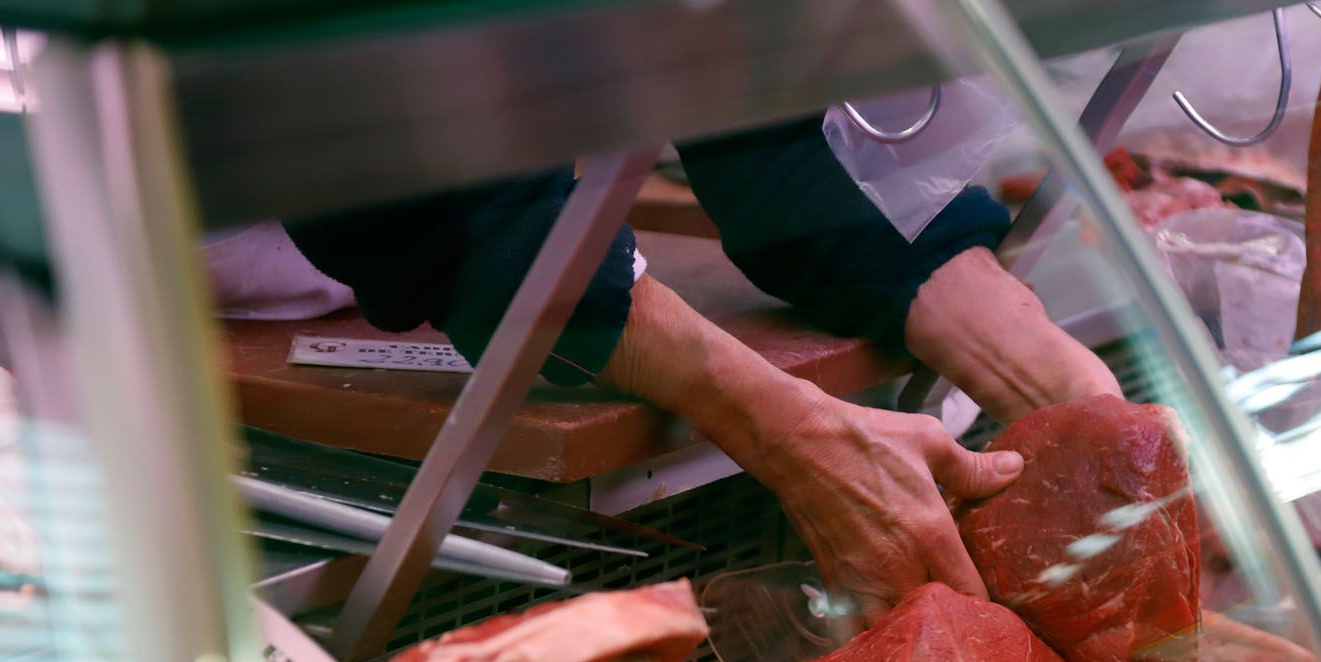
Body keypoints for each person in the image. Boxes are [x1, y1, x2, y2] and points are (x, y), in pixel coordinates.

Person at [285, 116, 1119, 623]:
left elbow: (746, 86)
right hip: (214, 271)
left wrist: (1027, 348)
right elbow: (448, 200)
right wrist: (787, 426)